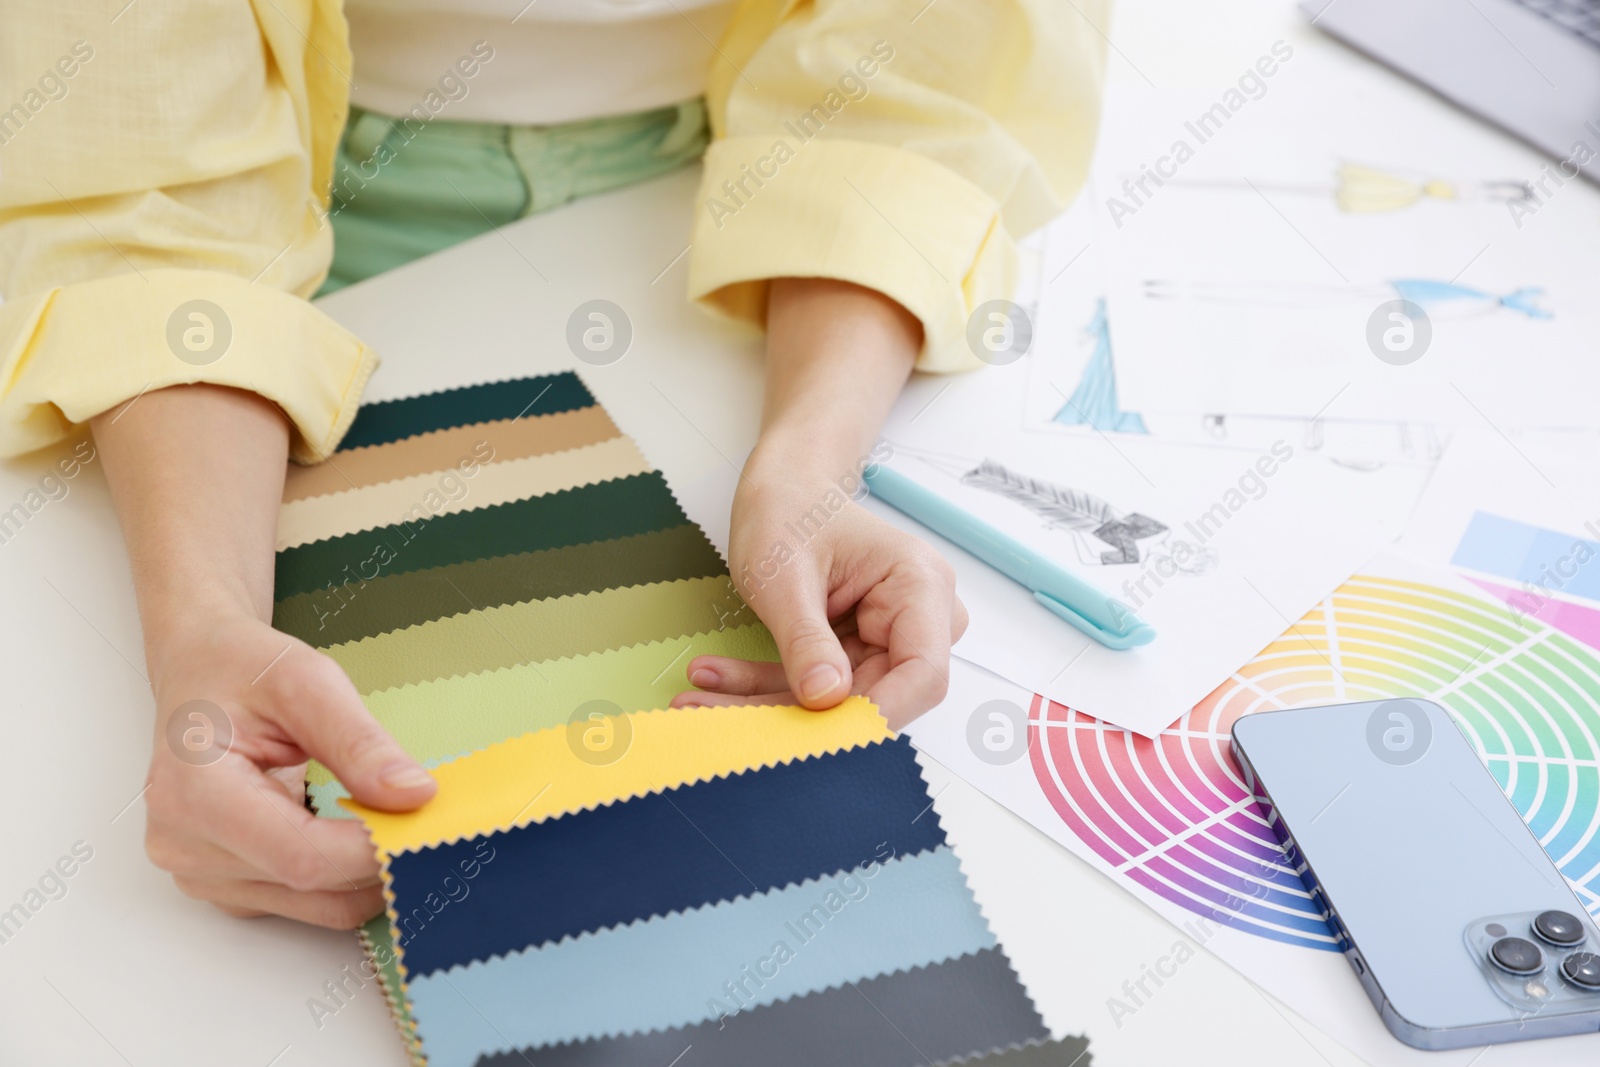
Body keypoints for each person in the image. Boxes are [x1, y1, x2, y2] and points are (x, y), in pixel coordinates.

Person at [0, 1, 1106, 928]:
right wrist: (202, 620)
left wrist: (808, 460)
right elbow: (135, 192)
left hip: (740, 173)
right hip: (284, 166)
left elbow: (928, 66)